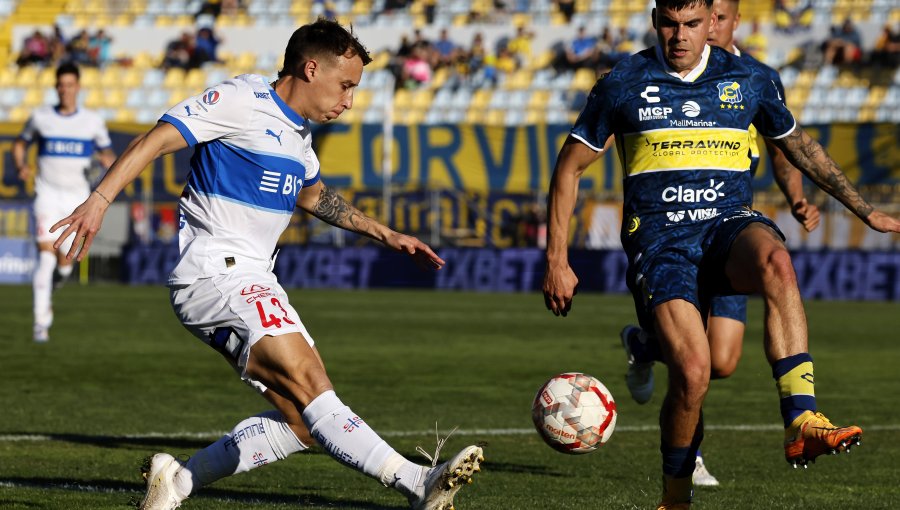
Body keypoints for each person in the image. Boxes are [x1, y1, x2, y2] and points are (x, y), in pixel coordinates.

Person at [50, 19, 483, 510]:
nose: (349, 99)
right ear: (311, 67)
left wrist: (385, 233)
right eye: (345, 85)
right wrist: (101, 198)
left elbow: (315, 196)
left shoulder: (299, 138)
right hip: (218, 271)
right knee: (313, 386)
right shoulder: (241, 100)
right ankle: (417, 482)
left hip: (249, 277)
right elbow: (157, 140)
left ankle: (176, 483)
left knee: (304, 422)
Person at [542, 1, 900, 508]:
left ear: (712, 24)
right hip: (661, 243)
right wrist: (557, 259)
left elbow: (799, 147)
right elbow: (569, 168)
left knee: (777, 261)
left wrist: (865, 210)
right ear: (654, 22)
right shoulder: (623, 81)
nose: (679, 36)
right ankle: (676, 496)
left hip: (727, 225)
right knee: (693, 371)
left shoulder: (750, 78)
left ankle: (802, 418)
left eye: (691, 24)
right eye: (669, 24)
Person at [617, 0, 821, 487]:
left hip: (727, 226)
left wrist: (796, 197)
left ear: (725, 21)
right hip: (675, 232)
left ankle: (645, 345)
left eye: (718, 20)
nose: (704, 31)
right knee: (694, 361)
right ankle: (692, 462)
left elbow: (783, 148)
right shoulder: (656, 77)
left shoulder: (755, 77)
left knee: (723, 360)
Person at [12, 62, 116, 343]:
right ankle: (40, 324)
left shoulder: (92, 121)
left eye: (70, 85)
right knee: (45, 259)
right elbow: (20, 144)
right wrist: (21, 166)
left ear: (78, 87)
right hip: (47, 197)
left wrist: (107, 166)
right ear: (56, 87)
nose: (65, 90)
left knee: (65, 265)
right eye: (61, 85)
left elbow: (108, 155)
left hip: (77, 202)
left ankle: (52, 289)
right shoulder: (41, 117)